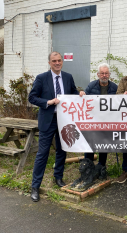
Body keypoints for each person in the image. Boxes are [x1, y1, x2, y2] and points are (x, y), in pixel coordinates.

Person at [28, 51, 79, 202]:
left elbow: (73, 93)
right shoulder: (42, 78)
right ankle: (35, 186)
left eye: (59, 60)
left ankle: (58, 177)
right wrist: (48, 102)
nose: (57, 63)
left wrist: (81, 94)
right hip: (48, 120)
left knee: (62, 150)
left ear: (62, 62)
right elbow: (32, 97)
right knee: (42, 153)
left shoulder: (68, 77)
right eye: (54, 61)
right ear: (49, 63)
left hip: (64, 120)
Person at [79, 63, 118, 167]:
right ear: (98, 74)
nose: (104, 75)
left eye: (106, 73)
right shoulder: (91, 86)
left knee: (103, 145)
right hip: (92, 121)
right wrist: (82, 94)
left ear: (109, 74)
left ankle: (101, 166)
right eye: (102, 73)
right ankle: (88, 166)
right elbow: (84, 98)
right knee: (90, 144)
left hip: (107, 121)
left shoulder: (114, 87)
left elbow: (119, 103)